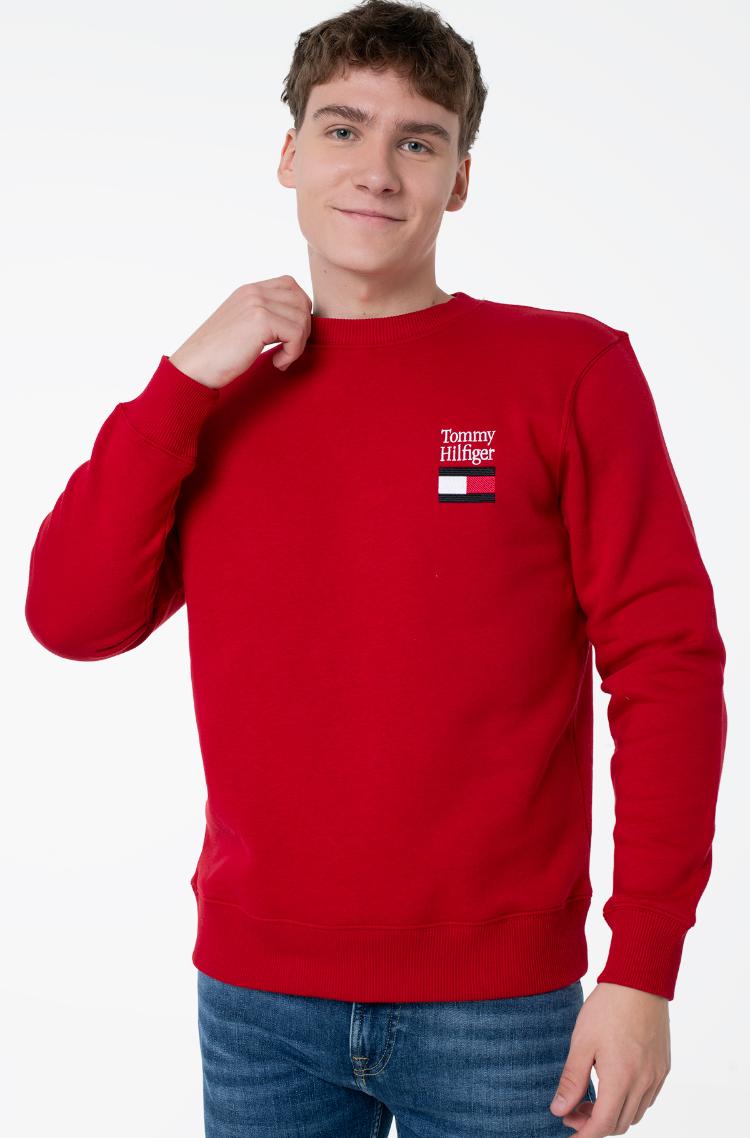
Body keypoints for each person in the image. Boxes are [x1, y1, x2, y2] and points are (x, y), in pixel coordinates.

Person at [24, 2, 727, 1135]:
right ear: (290, 153)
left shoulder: (569, 371)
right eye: (344, 128)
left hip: (500, 1006)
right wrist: (181, 383)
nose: (377, 170)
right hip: (257, 997)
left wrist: (644, 964)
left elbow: (668, 665)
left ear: (460, 179)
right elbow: (72, 618)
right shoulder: (217, 397)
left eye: (419, 139)